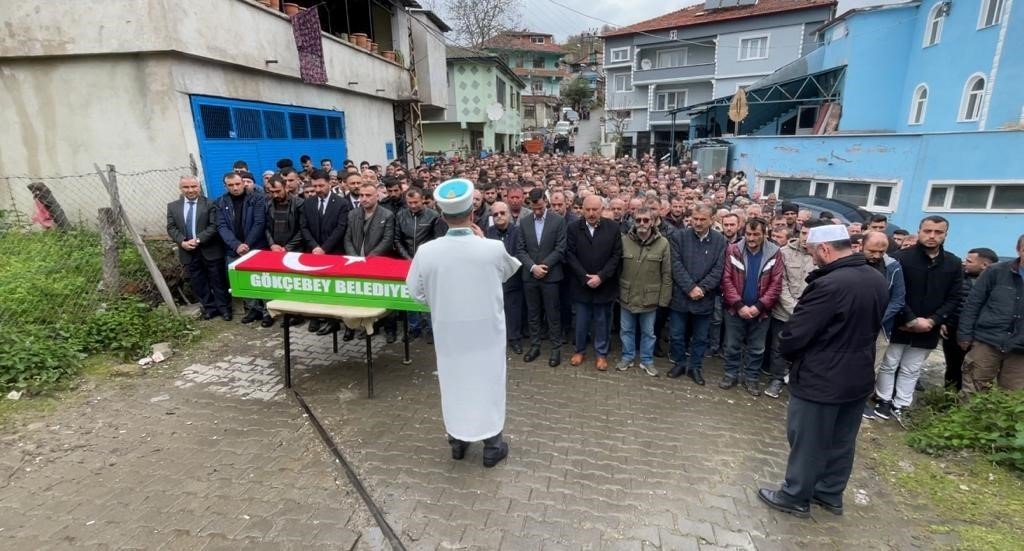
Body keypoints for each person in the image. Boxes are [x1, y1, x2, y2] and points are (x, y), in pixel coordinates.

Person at [757, 224, 888, 519]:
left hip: (822, 377)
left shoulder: (829, 284)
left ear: (826, 250)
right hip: (858, 375)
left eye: (813, 252)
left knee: (808, 440)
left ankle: (795, 496)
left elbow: (797, 333)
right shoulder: (875, 278)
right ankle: (829, 494)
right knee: (842, 440)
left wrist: (786, 353)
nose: (812, 258)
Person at [406, 178, 521, 468]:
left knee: (455, 384)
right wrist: (482, 241)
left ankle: (457, 442)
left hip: (449, 334)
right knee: (488, 384)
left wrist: (440, 301)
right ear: (473, 213)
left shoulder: (426, 252)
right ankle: (492, 447)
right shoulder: (492, 248)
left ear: (442, 216)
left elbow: (415, 292)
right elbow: (508, 273)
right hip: (486, 335)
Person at [871, 216, 963, 423]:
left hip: (929, 326)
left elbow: (955, 296)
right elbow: (892, 292)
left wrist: (933, 320)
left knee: (912, 368)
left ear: (945, 235)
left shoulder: (953, 263)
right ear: (919, 231)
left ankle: (902, 403)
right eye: (927, 231)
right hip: (899, 322)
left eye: (938, 232)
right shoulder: (899, 258)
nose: (932, 236)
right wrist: (911, 318)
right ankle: (884, 399)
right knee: (889, 363)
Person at [720, 218, 784, 395]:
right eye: (748, 234)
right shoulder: (733, 250)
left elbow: (776, 284)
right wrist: (739, 305)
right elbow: (726, 279)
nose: (751, 238)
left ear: (765, 234)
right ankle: (730, 374)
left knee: (757, 348)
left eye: (756, 234)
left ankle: (751, 378)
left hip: (761, 312)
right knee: (732, 344)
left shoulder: (774, 253)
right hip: (735, 309)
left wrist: (759, 306)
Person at [957, 235, 1024, 394]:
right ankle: (967, 419)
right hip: (987, 340)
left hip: (1021, 348)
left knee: (1014, 397)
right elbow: (973, 303)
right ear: (1018, 249)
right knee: (973, 388)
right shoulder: (996, 271)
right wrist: (965, 334)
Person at [667, 205, 726, 385]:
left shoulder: (720, 241)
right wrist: (690, 287)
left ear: (712, 220)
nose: (698, 223)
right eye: (695, 219)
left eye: (702, 219)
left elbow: (719, 269)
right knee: (676, 334)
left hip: (704, 298)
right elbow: (675, 265)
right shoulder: (679, 236)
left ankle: (695, 367)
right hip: (681, 296)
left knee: (701, 338)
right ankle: (679, 363)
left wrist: (702, 288)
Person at [566, 195, 622, 371]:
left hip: (604, 285)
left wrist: (601, 277)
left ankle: (601, 354)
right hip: (581, 284)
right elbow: (570, 255)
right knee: (581, 321)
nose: (591, 213)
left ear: (601, 210)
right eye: (587, 209)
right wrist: (584, 277)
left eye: (595, 209)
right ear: (582, 209)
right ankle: (579, 350)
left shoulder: (613, 228)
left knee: (602, 321)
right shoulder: (573, 228)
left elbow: (616, 256)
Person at [616, 207, 673, 375]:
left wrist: (664, 300)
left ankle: (647, 360)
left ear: (653, 222)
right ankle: (627, 357)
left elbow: (667, 273)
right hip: (627, 295)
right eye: (638, 219)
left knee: (649, 333)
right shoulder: (624, 240)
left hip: (650, 298)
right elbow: (617, 268)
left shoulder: (663, 243)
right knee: (626, 330)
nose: (642, 223)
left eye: (646, 220)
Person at [516, 188, 568, 368]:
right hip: (530, 276)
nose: (537, 212)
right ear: (529, 204)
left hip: (550, 276)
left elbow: (561, 247)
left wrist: (544, 266)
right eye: (534, 208)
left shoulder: (558, 221)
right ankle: (535, 345)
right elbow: (520, 249)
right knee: (533, 313)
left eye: (540, 208)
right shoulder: (524, 222)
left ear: (545, 202)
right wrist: (532, 267)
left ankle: (555, 349)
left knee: (553, 313)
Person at [764, 222, 817, 399]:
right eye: (803, 233)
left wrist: (806, 310)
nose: (805, 238)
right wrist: (793, 308)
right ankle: (776, 379)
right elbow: (780, 282)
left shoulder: (821, 255)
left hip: (810, 313)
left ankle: (799, 380)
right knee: (778, 347)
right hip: (784, 311)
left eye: (810, 234)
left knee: (806, 349)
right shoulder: (784, 253)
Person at [166, 176, 229, 320]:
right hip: (187, 251)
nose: (190, 190)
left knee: (218, 280)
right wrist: (182, 242)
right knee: (198, 282)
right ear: (180, 189)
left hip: (210, 249)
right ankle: (210, 308)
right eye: (186, 187)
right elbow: (171, 227)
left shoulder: (210, 204)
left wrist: (199, 239)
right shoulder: (173, 206)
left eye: (194, 186)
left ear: (199, 187)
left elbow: (214, 226)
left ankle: (224, 308)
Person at [344, 181, 397, 342]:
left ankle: (390, 329)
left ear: (377, 196)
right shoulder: (353, 214)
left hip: (378, 263)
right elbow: (347, 239)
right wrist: (356, 258)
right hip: (357, 264)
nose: (364, 198)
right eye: (361, 195)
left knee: (384, 298)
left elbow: (387, 240)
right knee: (363, 297)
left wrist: (370, 259)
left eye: (368, 195)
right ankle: (367, 327)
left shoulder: (387, 215)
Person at [300, 169, 349, 335]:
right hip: (314, 253)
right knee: (319, 289)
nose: (318, 189)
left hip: (334, 252)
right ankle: (324, 319)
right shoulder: (308, 203)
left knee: (335, 290)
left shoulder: (341, 203)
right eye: (315, 186)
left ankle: (340, 322)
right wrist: (314, 247)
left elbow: (340, 228)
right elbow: (304, 227)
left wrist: (324, 248)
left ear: (329, 183)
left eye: (321, 185)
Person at [215, 172, 268, 325]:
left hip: (256, 247)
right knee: (242, 282)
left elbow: (259, 223)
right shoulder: (220, 202)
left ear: (243, 183)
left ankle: (266, 311)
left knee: (260, 280)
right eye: (231, 185)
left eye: (238, 184)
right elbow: (221, 226)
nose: (235, 187)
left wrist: (247, 244)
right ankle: (253, 309)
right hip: (234, 249)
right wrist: (236, 245)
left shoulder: (257, 198)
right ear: (225, 186)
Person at [942, 247, 998, 390]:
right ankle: (949, 400)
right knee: (953, 367)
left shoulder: (997, 284)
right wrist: (943, 321)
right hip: (953, 329)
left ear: (984, 265)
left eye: (969, 261)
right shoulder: (959, 278)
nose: (964, 263)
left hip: (980, 335)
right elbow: (948, 300)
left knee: (975, 371)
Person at [395, 187, 445, 342]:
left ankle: (431, 328)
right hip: (408, 261)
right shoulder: (401, 215)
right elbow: (397, 240)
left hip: (428, 261)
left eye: (416, 202)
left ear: (423, 199)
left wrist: (425, 258)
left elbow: (438, 241)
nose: (413, 205)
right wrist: (408, 258)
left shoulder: (433, 216)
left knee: (429, 296)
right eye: (409, 202)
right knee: (411, 294)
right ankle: (413, 327)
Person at [861, 231, 907, 374]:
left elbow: (898, 300)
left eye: (881, 252)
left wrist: (877, 319)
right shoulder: (850, 264)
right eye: (872, 251)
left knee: (870, 369)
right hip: (849, 324)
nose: (877, 256)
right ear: (861, 246)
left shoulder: (893, 267)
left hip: (880, 328)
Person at [485, 202, 526, 354]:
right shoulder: (488, 233)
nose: (499, 216)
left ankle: (515, 339)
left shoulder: (519, 232)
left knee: (514, 311)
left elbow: (519, 253)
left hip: (514, 279)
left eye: (502, 213)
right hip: (494, 280)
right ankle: (496, 340)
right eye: (495, 214)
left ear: (509, 214)